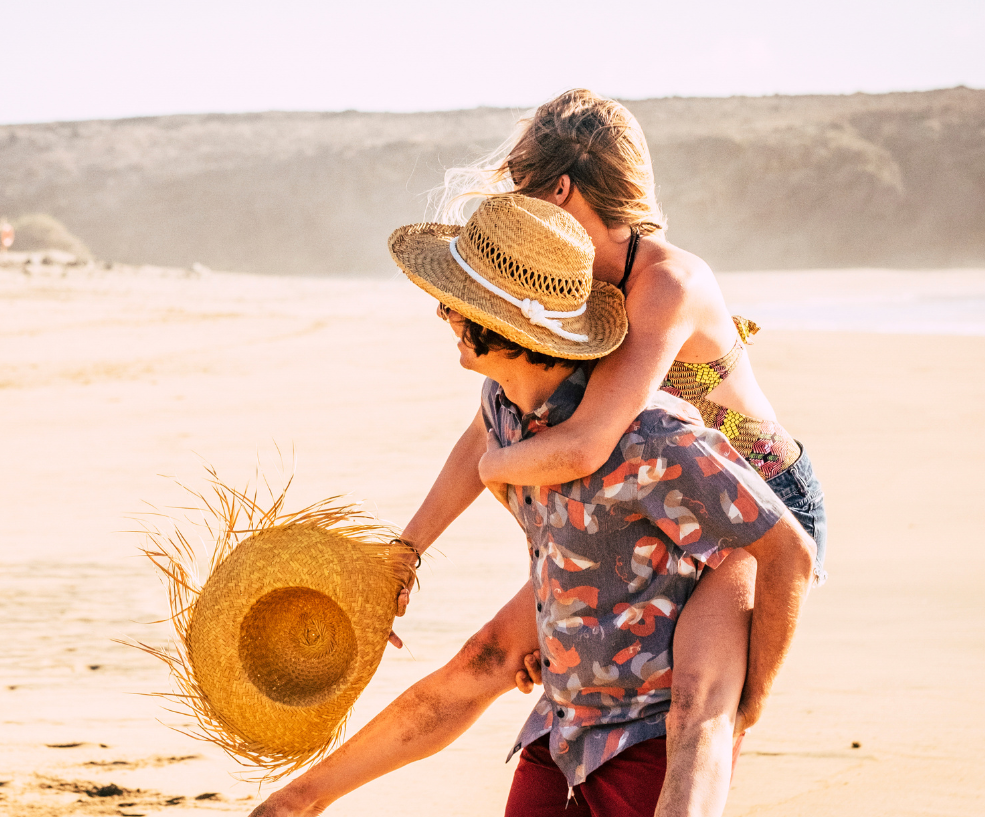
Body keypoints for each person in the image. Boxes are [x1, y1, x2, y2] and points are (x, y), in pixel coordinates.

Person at [254, 173, 819, 814]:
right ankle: (292, 804)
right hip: (564, 731)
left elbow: (789, 554)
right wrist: (406, 554)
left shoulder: (651, 436)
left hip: (649, 746)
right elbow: (492, 484)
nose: (442, 313)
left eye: (454, 301)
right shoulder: (504, 412)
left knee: (692, 711)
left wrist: (752, 700)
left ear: (500, 326)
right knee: (486, 655)